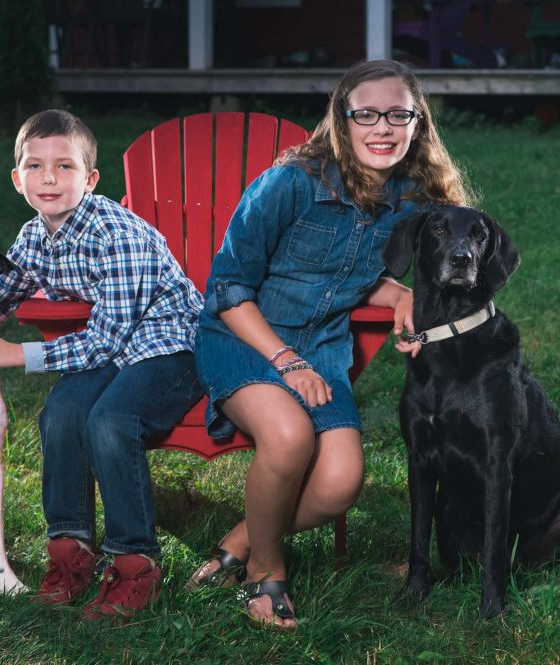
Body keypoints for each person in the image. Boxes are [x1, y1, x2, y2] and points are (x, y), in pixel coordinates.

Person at [0, 110, 204, 620]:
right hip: (115, 353)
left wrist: (14, 354)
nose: (49, 178)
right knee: (61, 414)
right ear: (17, 178)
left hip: (172, 351)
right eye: (36, 166)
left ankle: (137, 565)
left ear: (90, 179)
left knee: (112, 422)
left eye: (65, 166)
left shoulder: (120, 236)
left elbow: (103, 340)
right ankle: (71, 554)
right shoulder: (33, 237)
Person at [187, 60, 473, 630]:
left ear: (418, 124)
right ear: (341, 120)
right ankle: (265, 573)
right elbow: (228, 290)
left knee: (341, 483)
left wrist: (399, 296)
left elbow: (361, 273)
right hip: (243, 336)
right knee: (289, 437)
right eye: (365, 114)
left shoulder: (411, 202)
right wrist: (286, 362)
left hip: (322, 347)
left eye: (398, 114)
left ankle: (241, 538)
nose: (382, 128)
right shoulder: (290, 183)